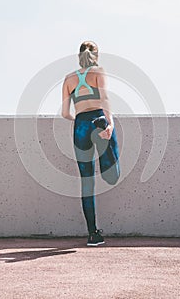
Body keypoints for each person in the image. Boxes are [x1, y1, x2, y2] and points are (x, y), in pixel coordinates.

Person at [61, 40, 120, 246]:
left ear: (79, 56)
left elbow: (64, 113)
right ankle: (106, 152)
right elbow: (104, 100)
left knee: (87, 183)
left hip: (80, 126)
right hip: (98, 120)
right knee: (113, 176)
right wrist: (110, 124)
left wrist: (79, 122)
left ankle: (93, 234)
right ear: (96, 55)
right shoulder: (99, 72)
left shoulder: (69, 79)